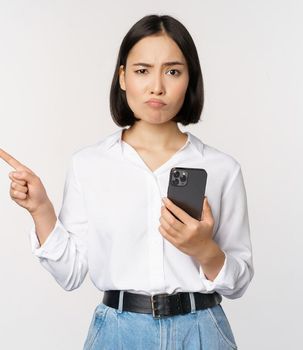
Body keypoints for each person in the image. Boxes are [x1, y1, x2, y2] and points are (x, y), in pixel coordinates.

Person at [0, 14, 253, 349]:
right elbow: (71, 274)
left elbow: (238, 282)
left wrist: (204, 250)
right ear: (122, 77)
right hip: (117, 334)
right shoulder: (89, 164)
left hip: (201, 332)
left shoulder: (222, 169)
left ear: (190, 79)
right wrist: (41, 209)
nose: (157, 86)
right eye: (142, 70)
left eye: (173, 71)